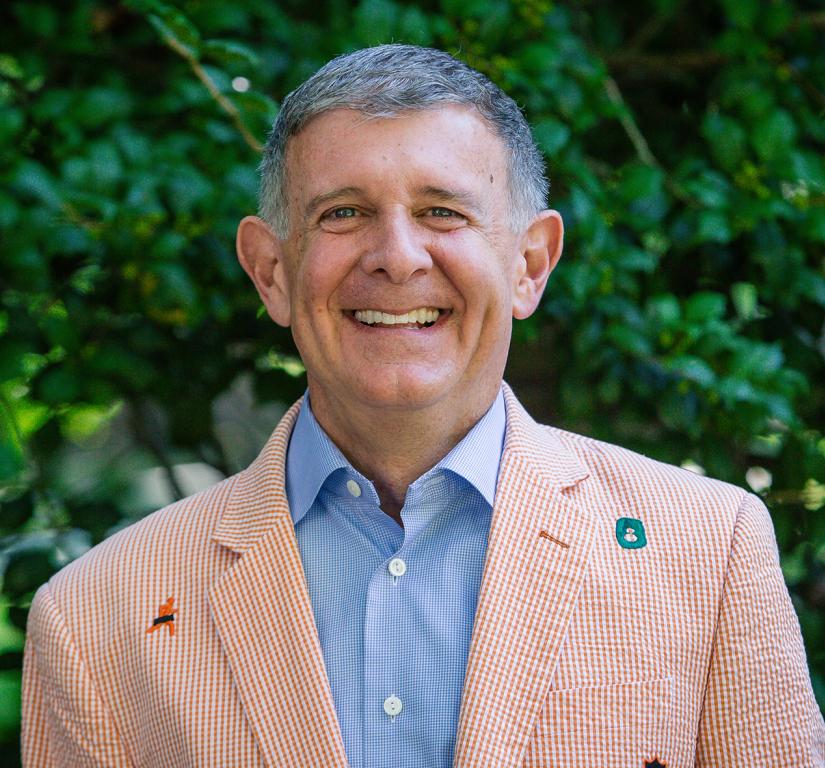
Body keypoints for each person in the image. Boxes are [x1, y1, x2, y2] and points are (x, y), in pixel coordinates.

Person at [22, 44, 824, 767]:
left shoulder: (707, 553)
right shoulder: (98, 616)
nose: (397, 257)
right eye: (343, 213)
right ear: (270, 270)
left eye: (442, 211)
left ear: (529, 263)